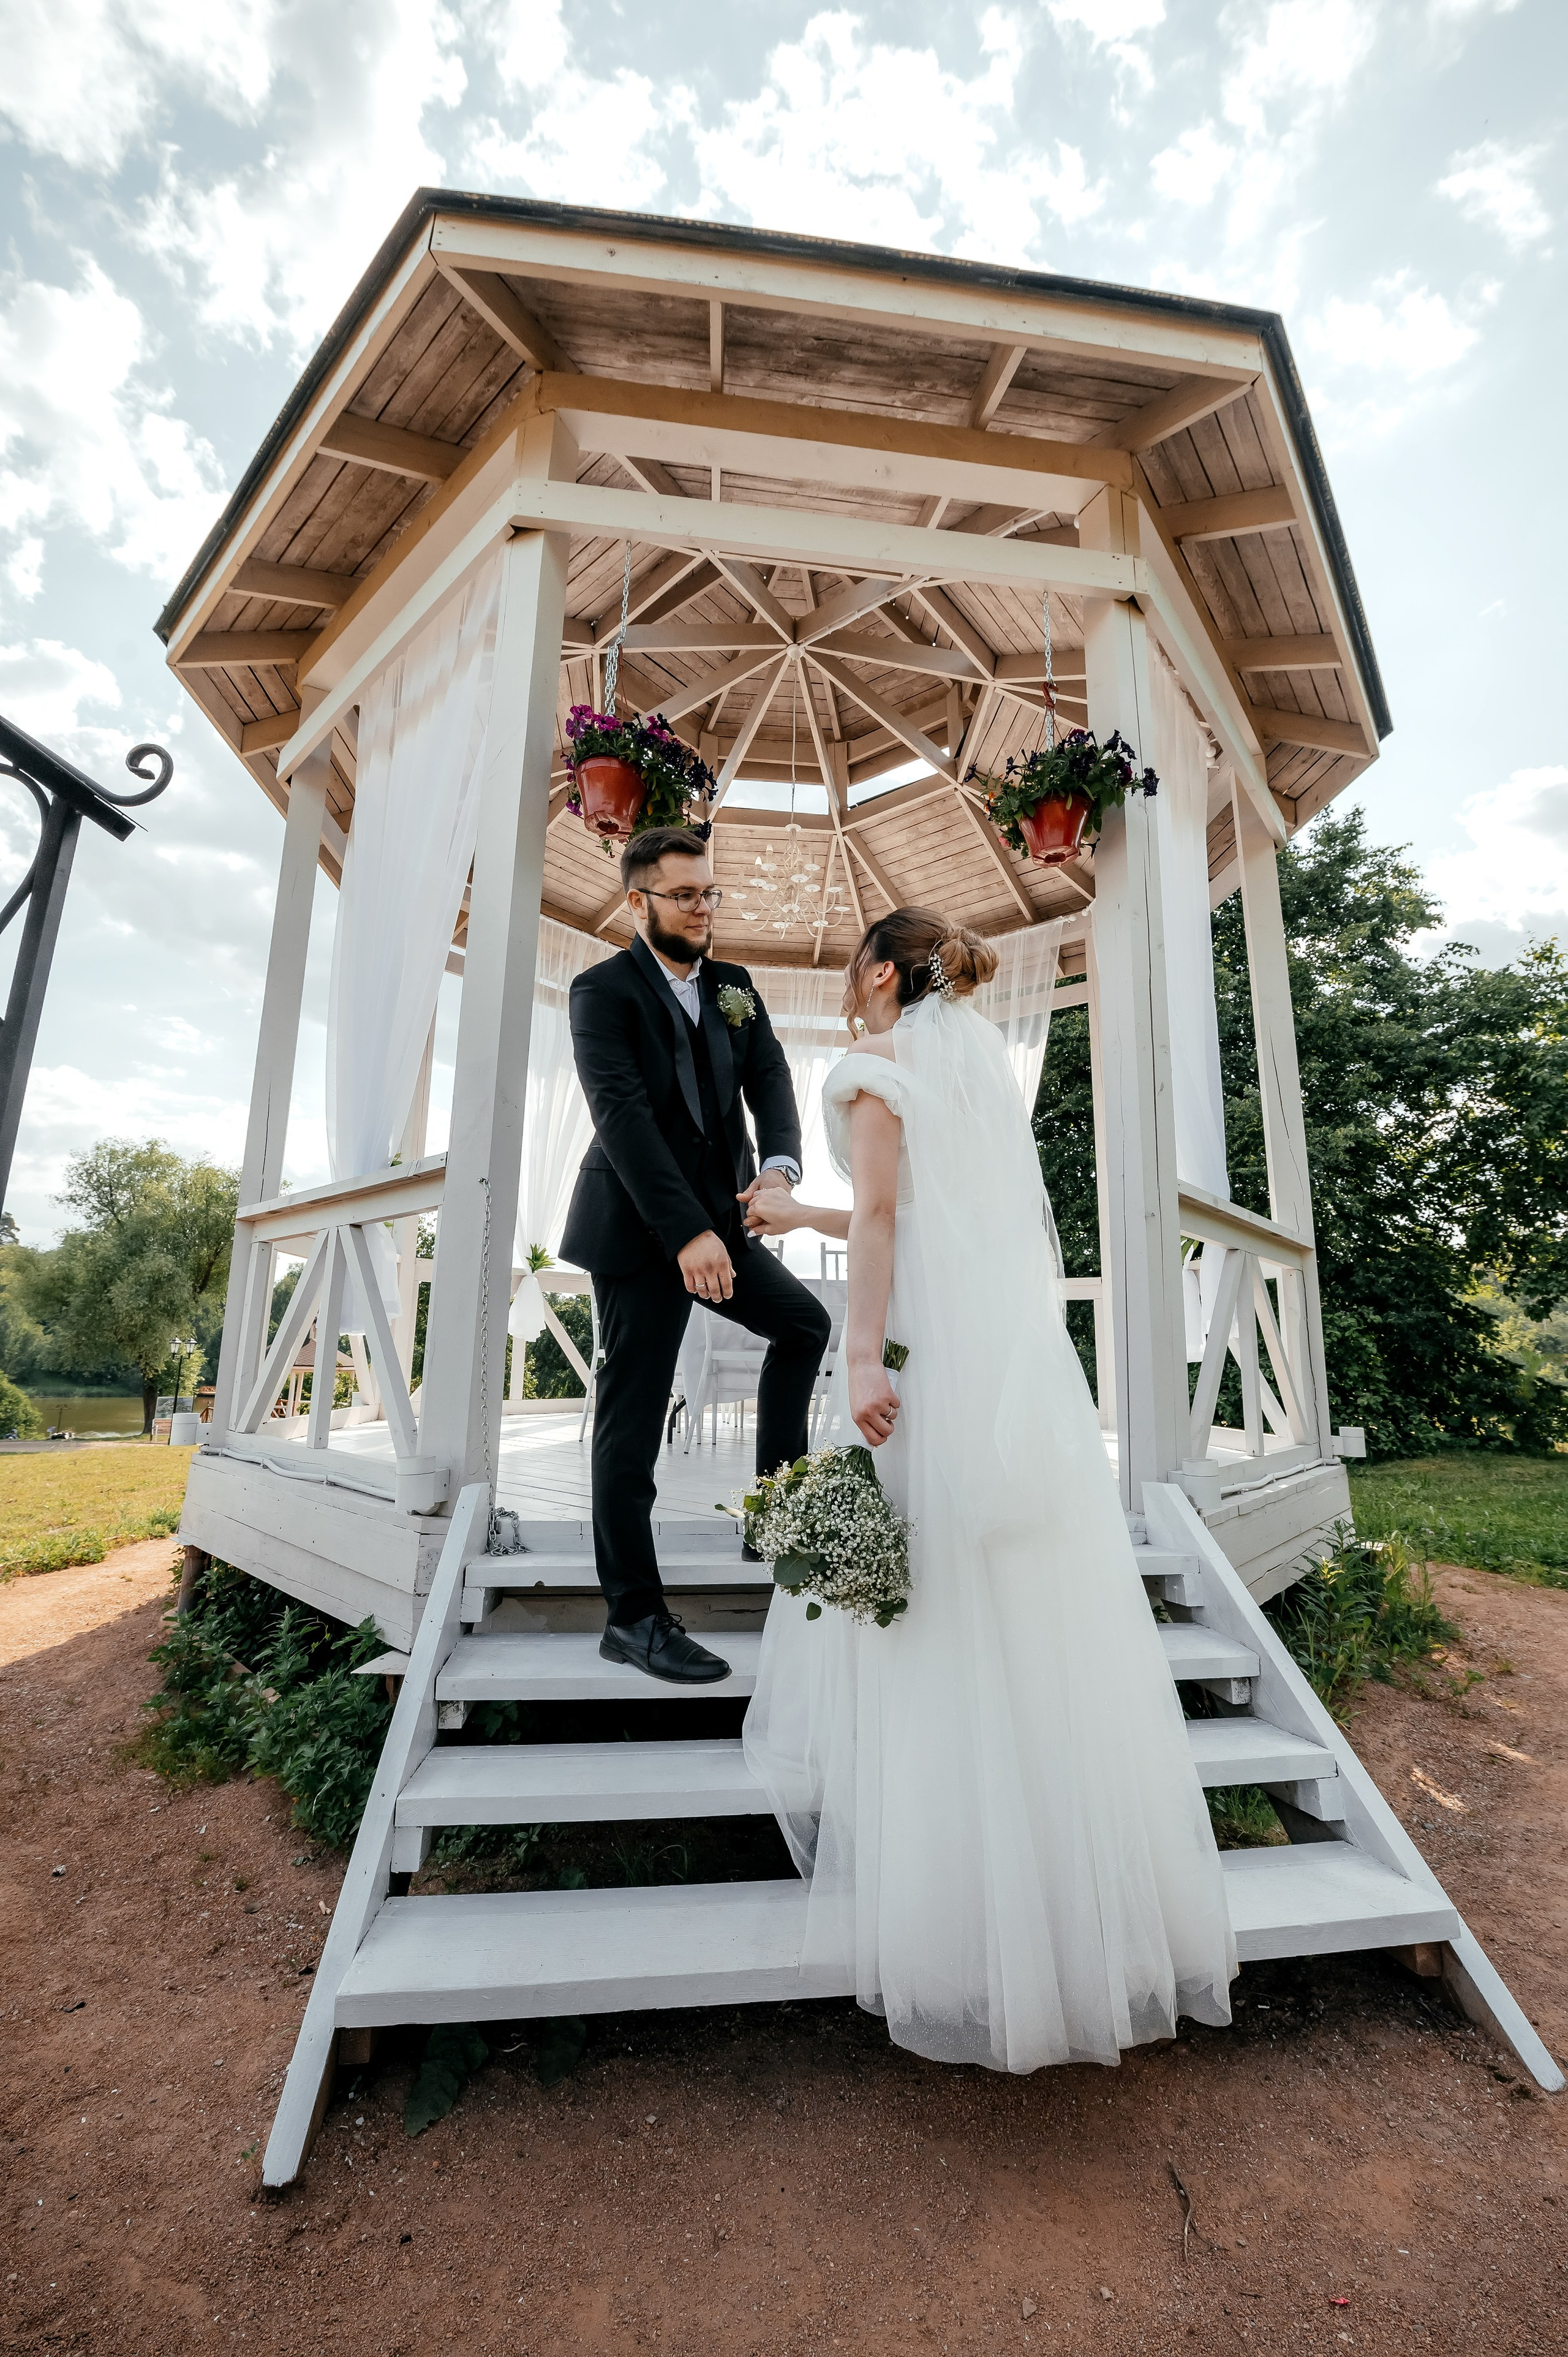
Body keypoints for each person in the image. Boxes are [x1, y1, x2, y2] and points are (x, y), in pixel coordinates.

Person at [740, 905, 1237, 2070]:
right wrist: (797, 1213)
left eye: (851, 969)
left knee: (920, 1593)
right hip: (988, 1361)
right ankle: (1067, 1907)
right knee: (999, 1595)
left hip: (910, 1355)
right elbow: (918, 1211)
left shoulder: (874, 1065)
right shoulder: (965, 1070)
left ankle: (951, 1914)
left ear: (876, 972)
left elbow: (877, 1215)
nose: (847, 989)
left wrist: (858, 1355)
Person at [560, 826, 832, 1686]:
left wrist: (780, 1171)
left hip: (727, 1217)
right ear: (638, 901)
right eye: (686, 895)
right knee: (631, 1418)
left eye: (711, 893)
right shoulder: (600, 992)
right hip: (639, 1230)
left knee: (803, 1326)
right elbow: (624, 1119)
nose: (705, 908)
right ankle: (633, 1618)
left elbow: (771, 1082)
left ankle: (776, 1518)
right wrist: (685, 1233)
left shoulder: (736, 988)